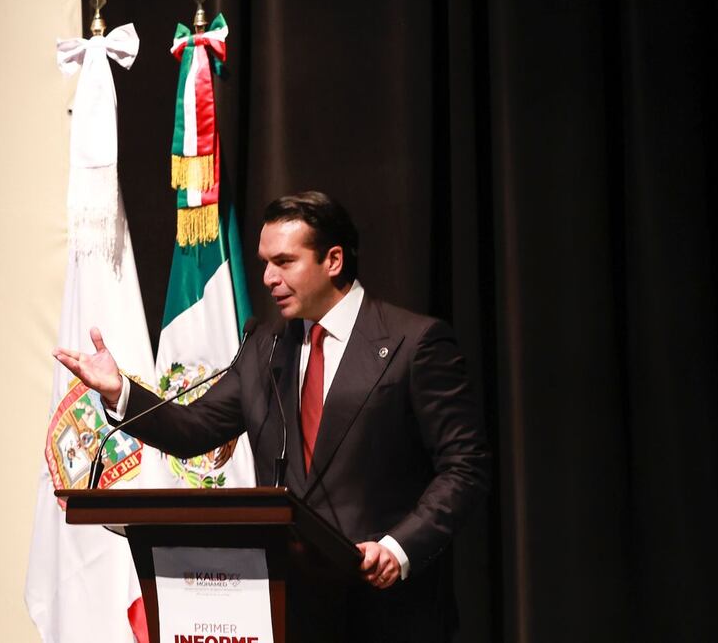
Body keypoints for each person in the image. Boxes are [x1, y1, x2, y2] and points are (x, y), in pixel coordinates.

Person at [54, 191, 491, 642]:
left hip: (387, 610)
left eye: (284, 261)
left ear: (333, 260)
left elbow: (465, 468)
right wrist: (120, 391)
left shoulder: (413, 343)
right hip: (291, 610)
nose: (268, 278)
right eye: (265, 262)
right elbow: (192, 430)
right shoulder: (265, 348)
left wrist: (398, 548)